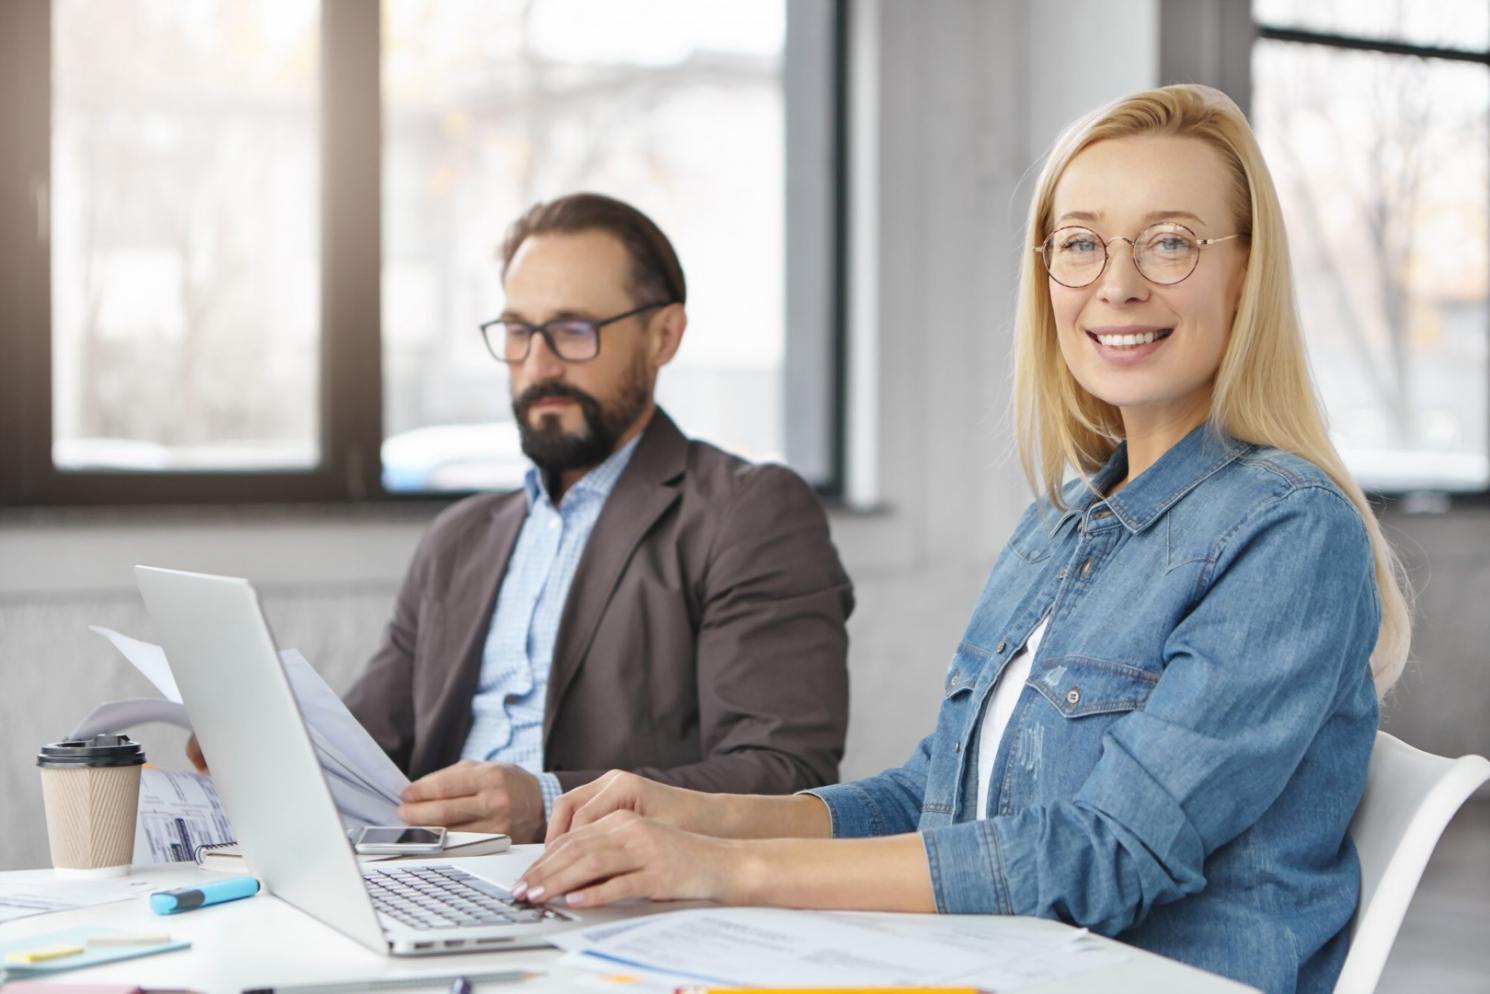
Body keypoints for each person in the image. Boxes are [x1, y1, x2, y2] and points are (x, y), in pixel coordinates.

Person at [513, 87, 1413, 994]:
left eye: (1171, 241)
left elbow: (1103, 855)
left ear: (1247, 275)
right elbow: (935, 799)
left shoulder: (1291, 529)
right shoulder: (1061, 523)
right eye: (1081, 243)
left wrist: (722, 871)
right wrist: (700, 819)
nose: (1118, 283)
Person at [190, 193, 853, 844]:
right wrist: (267, 752)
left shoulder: (747, 515)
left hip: (614, 894)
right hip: (434, 880)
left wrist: (547, 803)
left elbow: (782, 776)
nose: (538, 366)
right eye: (517, 331)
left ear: (663, 336)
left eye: (572, 331)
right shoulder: (460, 540)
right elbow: (367, 748)